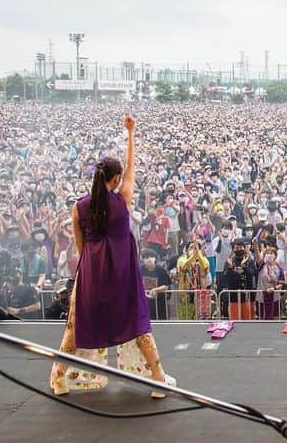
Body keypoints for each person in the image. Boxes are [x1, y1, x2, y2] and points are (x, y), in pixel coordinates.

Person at [49, 115, 175, 398]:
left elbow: (80, 248)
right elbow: (132, 167)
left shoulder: (79, 208)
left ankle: (58, 378)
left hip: (92, 276)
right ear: (115, 179)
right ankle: (157, 380)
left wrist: (92, 270)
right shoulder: (123, 199)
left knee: (76, 328)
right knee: (138, 325)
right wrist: (130, 134)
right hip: (122, 275)